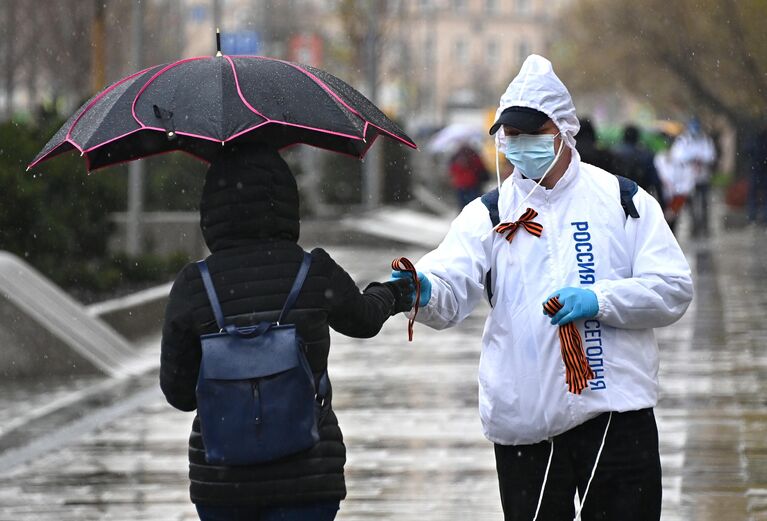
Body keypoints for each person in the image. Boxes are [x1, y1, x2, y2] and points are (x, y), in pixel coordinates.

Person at [392, 55, 693, 520]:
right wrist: (423, 290)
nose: (517, 143)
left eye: (530, 131)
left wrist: (601, 300)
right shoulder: (489, 216)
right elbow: (452, 283)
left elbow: (673, 288)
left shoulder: (622, 200)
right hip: (527, 424)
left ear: (561, 130)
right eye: (509, 133)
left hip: (615, 415)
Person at [160, 144, 410, 521]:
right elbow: (365, 321)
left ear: (210, 209)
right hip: (308, 475)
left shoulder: (194, 285)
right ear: (285, 200)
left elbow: (179, 394)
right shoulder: (313, 271)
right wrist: (393, 292)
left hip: (223, 483)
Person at [671, 117, 717, 236]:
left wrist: (701, 159)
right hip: (688, 179)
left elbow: (711, 156)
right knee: (690, 204)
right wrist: (690, 159)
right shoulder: (683, 141)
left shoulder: (705, 140)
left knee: (704, 203)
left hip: (702, 178)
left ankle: (704, 227)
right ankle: (694, 226)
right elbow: (676, 157)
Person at [612, 124, 665, 207]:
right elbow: (655, 181)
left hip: (618, 200)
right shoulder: (646, 154)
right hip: (640, 199)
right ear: (637, 137)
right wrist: (662, 204)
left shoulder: (614, 153)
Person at [654, 132, 694, 233]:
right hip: (662, 196)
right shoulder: (659, 158)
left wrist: (676, 201)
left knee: (673, 223)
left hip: (676, 196)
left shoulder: (682, 161)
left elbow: (686, 181)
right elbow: (657, 175)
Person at [448, 143, 491, 208]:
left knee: (464, 205)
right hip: (472, 184)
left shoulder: (455, 157)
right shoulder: (472, 155)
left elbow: (452, 171)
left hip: (463, 185)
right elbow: (480, 167)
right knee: (475, 204)